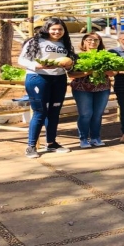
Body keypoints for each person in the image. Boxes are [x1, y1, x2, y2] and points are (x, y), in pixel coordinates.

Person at [18, 18, 76, 158]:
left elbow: (70, 63)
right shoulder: (35, 41)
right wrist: (37, 66)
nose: (57, 32)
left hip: (59, 79)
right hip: (38, 77)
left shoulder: (65, 43)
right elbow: (21, 60)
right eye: (54, 29)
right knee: (40, 112)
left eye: (60, 29)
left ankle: (51, 143)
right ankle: (31, 146)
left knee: (54, 111)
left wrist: (69, 65)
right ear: (47, 28)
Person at [68, 33, 114, 149]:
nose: (93, 42)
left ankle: (95, 138)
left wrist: (106, 71)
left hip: (102, 88)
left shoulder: (106, 56)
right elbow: (71, 74)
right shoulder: (77, 57)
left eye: (96, 40)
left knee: (98, 114)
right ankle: (83, 139)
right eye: (89, 40)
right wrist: (87, 72)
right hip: (82, 88)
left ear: (100, 43)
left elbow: (113, 73)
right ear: (83, 42)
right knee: (85, 114)